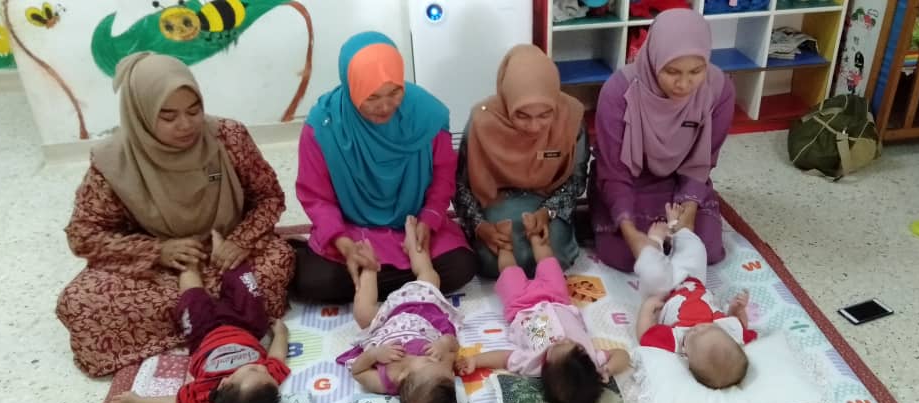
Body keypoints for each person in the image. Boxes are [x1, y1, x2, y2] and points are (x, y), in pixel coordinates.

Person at [56, 53, 294, 377]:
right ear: (140, 114)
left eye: (194, 111)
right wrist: (158, 251)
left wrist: (240, 241)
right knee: (81, 302)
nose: (186, 125)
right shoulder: (114, 161)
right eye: (167, 117)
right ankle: (218, 314)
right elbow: (84, 235)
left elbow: (268, 197)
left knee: (278, 261)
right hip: (163, 267)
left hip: (227, 255)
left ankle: (195, 316)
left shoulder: (227, 137)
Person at [293, 31, 476, 303]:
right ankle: (410, 282)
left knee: (461, 266)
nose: (385, 106)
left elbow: (443, 176)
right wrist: (345, 245)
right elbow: (316, 196)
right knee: (314, 282)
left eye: (394, 92)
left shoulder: (427, 115)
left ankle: (372, 283)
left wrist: (429, 219)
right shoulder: (323, 126)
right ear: (351, 87)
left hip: (413, 227)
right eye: (372, 97)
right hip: (353, 230)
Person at [589, 9, 736, 272]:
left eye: (696, 71)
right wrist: (629, 230)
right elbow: (613, 171)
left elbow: (704, 161)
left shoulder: (718, 90)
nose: (684, 84)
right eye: (671, 71)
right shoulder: (618, 92)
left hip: (678, 183)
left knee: (707, 249)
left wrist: (689, 210)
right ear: (654, 58)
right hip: (630, 184)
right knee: (625, 255)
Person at [108, 232, 291, 403]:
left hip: (203, 334)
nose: (262, 367)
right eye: (264, 372)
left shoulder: (203, 392)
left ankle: (189, 263)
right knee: (250, 290)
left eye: (253, 368)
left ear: (224, 384)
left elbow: (172, 402)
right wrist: (281, 334)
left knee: (191, 298)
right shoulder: (266, 382)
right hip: (246, 326)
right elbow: (276, 357)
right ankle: (222, 253)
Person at [456, 214, 630, 403]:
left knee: (509, 271)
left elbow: (503, 358)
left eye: (557, 346)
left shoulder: (531, 363)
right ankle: (535, 235)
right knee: (549, 263)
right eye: (575, 346)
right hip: (557, 298)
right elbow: (622, 355)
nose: (563, 339)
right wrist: (608, 369)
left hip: (520, 304)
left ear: (545, 366)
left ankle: (505, 246)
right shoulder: (590, 361)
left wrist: (475, 360)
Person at [454, 44, 588, 278]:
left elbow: (576, 179)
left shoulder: (571, 117)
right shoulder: (483, 120)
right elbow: (460, 185)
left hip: (548, 200)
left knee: (554, 254)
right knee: (492, 259)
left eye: (545, 115)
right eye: (522, 115)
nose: (534, 127)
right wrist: (480, 227)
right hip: (498, 201)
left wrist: (548, 212)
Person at [336, 216, 462, 403]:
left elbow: (357, 371)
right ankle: (415, 247)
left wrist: (374, 355)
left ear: (403, 377)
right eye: (446, 373)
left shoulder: (387, 381)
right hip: (421, 312)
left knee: (362, 312)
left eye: (428, 362)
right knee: (430, 278)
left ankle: (370, 267)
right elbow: (453, 346)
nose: (435, 359)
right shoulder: (442, 373)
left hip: (384, 323)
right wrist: (443, 344)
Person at [631, 204, 758, 389]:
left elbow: (644, 335)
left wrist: (647, 308)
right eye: (708, 328)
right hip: (694, 279)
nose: (698, 327)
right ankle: (675, 227)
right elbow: (742, 326)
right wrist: (737, 309)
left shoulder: (675, 342)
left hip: (665, 291)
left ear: (688, 359)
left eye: (694, 334)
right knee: (697, 249)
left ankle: (655, 241)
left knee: (652, 271)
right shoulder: (730, 333)